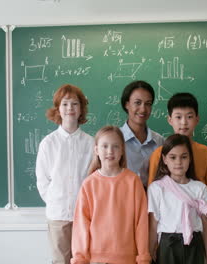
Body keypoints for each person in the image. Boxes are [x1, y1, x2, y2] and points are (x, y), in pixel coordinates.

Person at [147, 92, 207, 258]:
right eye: (178, 117)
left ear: (197, 119)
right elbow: (152, 204)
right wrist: (151, 243)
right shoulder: (159, 154)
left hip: (197, 236)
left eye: (189, 116)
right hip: (167, 238)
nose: (183, 122)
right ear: (169, 120)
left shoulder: (206, 153)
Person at [71, 126, 150, 264]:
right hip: (96, 259)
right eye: (105, 146)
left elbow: (141, 222)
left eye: (115, 146)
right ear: (96, 150)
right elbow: (81, 225)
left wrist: (143, 256)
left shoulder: (133, 182)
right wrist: (80, 258)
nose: (110, 151)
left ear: (122, 151)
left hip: (127, 258)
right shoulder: (89, 184)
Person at [36, 84, 94, 264]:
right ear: (58, 109)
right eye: (65, 104)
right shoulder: (48, 143)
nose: (70, 108)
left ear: (81, 109)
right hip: (58, 215)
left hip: (84, 217)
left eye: (75, 104)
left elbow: (94, 179)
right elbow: (43, 180)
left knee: (84, 260)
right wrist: (56, 200)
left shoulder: (91, 143)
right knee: (60, 261)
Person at [148, 134, 207, 264]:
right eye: (173, 157)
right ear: (164, 159)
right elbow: (153, 225)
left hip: (195, 245)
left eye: (184, 157)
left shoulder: (199, 188)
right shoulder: (157, 188)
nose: (178, 162)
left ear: (190, 159)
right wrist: (150, 252)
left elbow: (205, 226)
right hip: (168, 245)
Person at [120, 80, 164, 186]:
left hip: (153, 200)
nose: (143, 109)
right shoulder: (114, 139)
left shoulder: (159, 141)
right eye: (137, 103)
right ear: (127, 104)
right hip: (123, 199)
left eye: (148, 104)